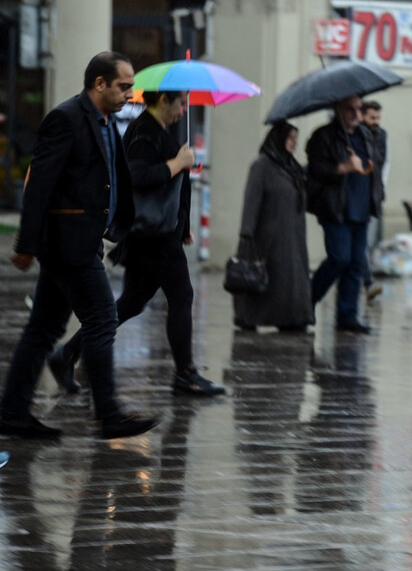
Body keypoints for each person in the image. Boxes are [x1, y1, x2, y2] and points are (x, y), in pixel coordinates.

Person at [0, 51, 159, 439]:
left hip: (80, 240)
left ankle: (12, 413)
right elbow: (40, 184)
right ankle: (108, 414)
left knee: (44, 328)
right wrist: (27, 242)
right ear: (99, 83)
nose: (129, 93)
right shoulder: (66, 118)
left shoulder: (105, 122)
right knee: (102, 319)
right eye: (123, 86)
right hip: (68, 244)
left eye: (132, 87)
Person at [48, 90, 225, 398]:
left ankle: (67, 355)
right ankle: (185, 375)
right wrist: (176, 163)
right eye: (180, 103)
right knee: (182, 296)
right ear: (162, 101)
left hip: (158, 232)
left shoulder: (157, 131)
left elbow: (168, 190)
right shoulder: (145, 133)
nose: (184, 110)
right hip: (153, 236)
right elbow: (136, 176)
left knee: (131, 301)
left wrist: (182, 225)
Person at [306, 94, 384, 334]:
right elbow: (315, 170)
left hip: (361, 208)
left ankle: (347, 316)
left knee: (355, 264)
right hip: (335, 208)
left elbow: (375, 164)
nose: (355, 113)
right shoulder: (323, 136)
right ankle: (307, 301)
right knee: (339, 258)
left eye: (358, 108)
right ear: (337, 109)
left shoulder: (365, 135)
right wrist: (342, 168)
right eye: (349, 108)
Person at [233, 122, 315, 333]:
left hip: (292, 237)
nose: (294, 144)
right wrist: (247, 232)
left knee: (289, 280)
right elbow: (252, 200)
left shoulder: (291, 168)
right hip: (268, 238)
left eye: (295, 139)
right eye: (290, 138)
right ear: (277, 139)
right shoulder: (262, 166)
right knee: (269, 279)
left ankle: (292, 318)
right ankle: (253, 317)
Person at [361, 100, 387, 303]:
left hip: (375, 195)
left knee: (371, 243)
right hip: (361, 195)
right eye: (372, 118)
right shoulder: (359, 135)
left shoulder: (381, 135)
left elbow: (382, 163)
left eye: (378, 118)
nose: (376, 122)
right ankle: (368, 282)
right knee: (364, 244)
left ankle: (366, 280)